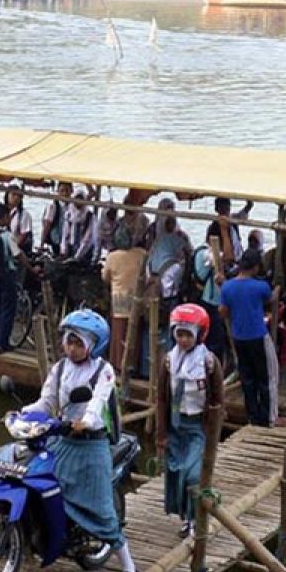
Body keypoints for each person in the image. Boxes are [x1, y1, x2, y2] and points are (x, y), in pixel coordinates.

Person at [20, 310, 139, 572]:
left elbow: (97, 403)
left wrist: (84, 422)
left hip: (91, 445)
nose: (71, 348)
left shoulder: (103, 371)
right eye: (68, 341)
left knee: (101, 509)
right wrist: (23, 413)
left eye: (78, 343)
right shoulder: (60, 367)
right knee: (36, 483)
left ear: (92, 345)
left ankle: (129, 566)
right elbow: (46, 401)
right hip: (61, 441)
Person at [156, 304, 224, 539]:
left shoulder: (209, 362)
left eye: (188, 335)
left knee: (193, 475)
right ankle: (185, 518)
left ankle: (196, 519)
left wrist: (214, 432)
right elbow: (162, 398)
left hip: (197, 426)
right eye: (179, 334)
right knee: (175, 473)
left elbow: (217, 399)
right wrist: (161, 433)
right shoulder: (168, 361)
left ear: (199, 335)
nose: (183, 340)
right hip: (175, 425)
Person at [219, 248, 279, 427]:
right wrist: (278, 288)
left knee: (247, 378)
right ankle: (268, 417)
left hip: (239, 337)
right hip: (258, 336)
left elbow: (224, 311)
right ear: (255, 267)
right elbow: (271, 299)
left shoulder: (227, 287)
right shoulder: (260, 287)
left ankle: (253, 416)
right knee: (267, 377)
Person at [0, 202, 32, 354]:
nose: (10, 218)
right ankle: (3, 343)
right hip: (6, 275)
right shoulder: (8, 236)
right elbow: (18, 255)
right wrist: (30, 267)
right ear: (2, 218)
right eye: (8, 216)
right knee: (8, 309)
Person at [102, 225, 147, 370]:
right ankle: (132, 365)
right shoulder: (141, 253)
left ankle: (117, 365)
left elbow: (105, 277)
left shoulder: (112, 257)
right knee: (134, 333)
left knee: (118, 333)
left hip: (119, 298)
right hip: (136, 298)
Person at [191, 229, 229, 365]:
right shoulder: (208, 254)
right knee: (214, 338)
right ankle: (213, 368)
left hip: (205, 299)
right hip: (210, 301)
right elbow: (229, 256)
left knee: (208, 336)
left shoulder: (199, 251)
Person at [204, 197, 252, 274]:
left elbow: (244, 213)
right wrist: (224, 229)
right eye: (222, 207)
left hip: (238, 258)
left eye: (227, 206)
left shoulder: (232, 219)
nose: (226, 209)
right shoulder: (214, 227)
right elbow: (226, 256)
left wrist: (249, 204)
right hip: (225, 262)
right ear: (216, 209)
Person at [61, 188, 99, 265]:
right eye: (76, 199)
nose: (78, 203)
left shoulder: (90, 216)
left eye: (81, 199)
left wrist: (77, 257)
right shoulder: (69, 214)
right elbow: (65, 234)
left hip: (85, 252)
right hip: (71, 249)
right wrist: (63, 250)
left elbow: (88, 238)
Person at [41, 182, 72, 257]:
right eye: (62, 191)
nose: (64, 193)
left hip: (69, 242)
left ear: (71, 191)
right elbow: (46, 226)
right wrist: (42, 243)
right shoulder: (53, 207)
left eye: (67, 190)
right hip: (56, 241)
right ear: (58, 192)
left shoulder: (73, 206)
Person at [4, 181, 33, 254]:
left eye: (19, 196)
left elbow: (23, 235)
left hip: (17, 250)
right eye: (13, 195)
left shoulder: (24, 214)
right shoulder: (2, 211)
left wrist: (12, 249)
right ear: (7, 195)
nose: (16, 198)